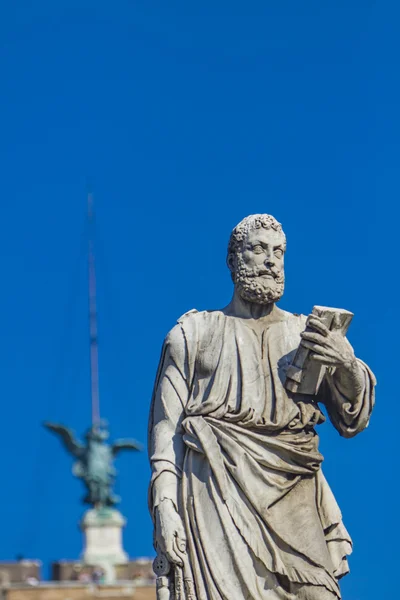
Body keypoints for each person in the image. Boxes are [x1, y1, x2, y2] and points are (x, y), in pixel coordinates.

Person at [148, 214, 375, 600]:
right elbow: (165, 434)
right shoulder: (192, 334)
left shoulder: (305, 335)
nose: (271, 260)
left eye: (279, 252)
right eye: (258, 249)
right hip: (215, 491)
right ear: (234, 259)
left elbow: (353, 417)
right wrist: (164, 507)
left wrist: (346, 363)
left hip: (294, 493)